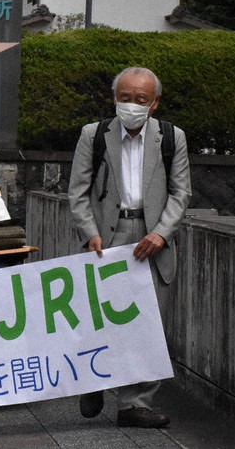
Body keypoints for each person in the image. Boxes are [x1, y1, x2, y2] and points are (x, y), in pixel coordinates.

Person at [68, 66, 191, 429]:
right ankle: (93, 380)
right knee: (98, 317)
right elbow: (77, 191)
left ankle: (134, 404)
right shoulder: (93, 134)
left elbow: (181, 192)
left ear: (154, 103)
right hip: (107, 234)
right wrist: (89, 231)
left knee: (148, 324)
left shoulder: (172, 137)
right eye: (125, 98)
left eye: (141, 99)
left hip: (152, 237)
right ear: (114, 98)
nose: (132, 105)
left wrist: (162, 233)